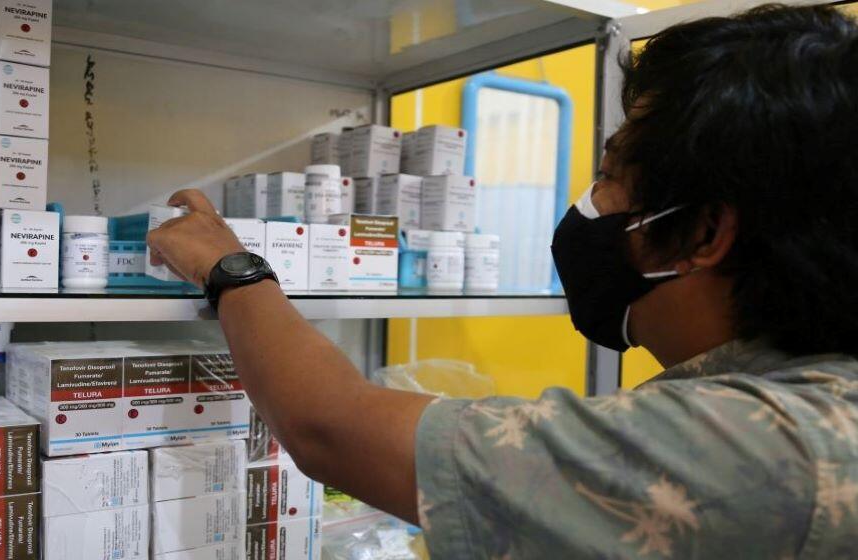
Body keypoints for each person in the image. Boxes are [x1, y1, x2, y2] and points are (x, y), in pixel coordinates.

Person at [147, 4, 858, 558]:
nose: (585, 204)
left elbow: (330, 427)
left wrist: (230, 267)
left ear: (703, 232)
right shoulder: (812, 394)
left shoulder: (766, 447)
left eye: (609, 176)